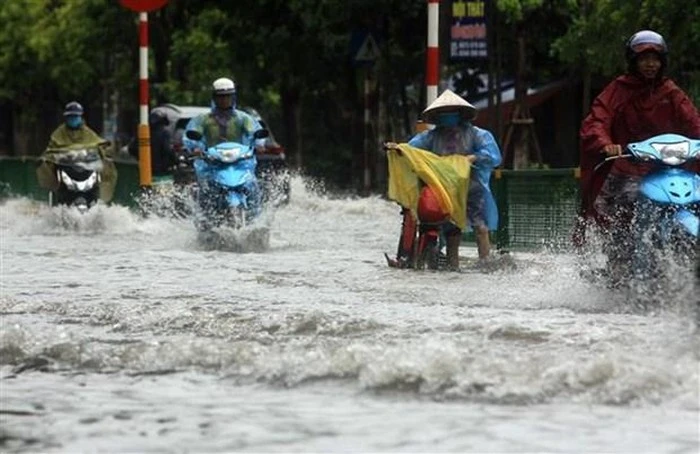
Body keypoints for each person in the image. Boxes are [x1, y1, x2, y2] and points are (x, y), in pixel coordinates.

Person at [577, 30, 700, 280]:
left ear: (663, 61)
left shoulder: (671, 91)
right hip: (628, 167)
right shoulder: (618, 90)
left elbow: (693, 121)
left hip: (668, 167)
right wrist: (606, 143)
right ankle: (619, 264)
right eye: (644, 58)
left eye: (655, 58)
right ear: (633, 61)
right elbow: (597, 120)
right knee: (623, 214)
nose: (650, 64)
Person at [396, 89, 502, 269]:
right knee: (452, 231)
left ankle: (486, 266)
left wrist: (473, 158)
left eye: (451, 114)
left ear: (460, 115)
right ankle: (453, 268)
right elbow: (411, 148)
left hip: (472, 188)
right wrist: (397, 148)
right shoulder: (432, 136)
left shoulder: (476, 134)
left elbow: (492, 154)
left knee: (481, 228)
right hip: (445, 190)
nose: (448, 119)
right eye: (443, 115)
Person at [37, 101, 118, 203]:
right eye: (70, 116)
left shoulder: (87, 132)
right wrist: (46, 158)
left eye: (76, 116)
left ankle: (102, 200)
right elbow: (51, 149)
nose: (73, 119)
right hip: (66, 167)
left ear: (80, 117)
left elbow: (98, 143)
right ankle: (54, 193)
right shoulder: (59, 133)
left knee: (106, 170)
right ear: (66, 118)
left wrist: (105, 152)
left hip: (85, 168)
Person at [182, 77, 264, 154]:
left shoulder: (243, 118)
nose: (224, 100)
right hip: (211, 163)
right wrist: (195, 147)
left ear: (233, 98)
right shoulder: (203, 119)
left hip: (239, 162)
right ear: (214, 98)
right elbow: (192, 133)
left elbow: (254, 131)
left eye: (228, 96)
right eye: (220, 97)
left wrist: (259, 144)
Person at [148, 109, 176, 178]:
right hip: (162, 169)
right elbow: (167, 149)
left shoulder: (144, 133)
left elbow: (132, 148)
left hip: (146, 169)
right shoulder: (164, 133)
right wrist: (175, 159)